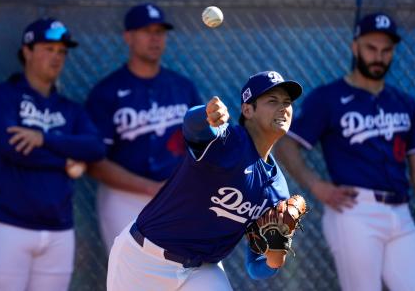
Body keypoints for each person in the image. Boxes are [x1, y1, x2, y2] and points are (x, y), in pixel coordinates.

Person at [106, 70, 303, 290]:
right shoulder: (227, 141)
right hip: (142, 260)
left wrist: (276, 255)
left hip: (202, 271)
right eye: (272, 101)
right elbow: (193, 128)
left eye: (287, 102)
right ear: (247, 109)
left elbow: (256, 268)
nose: (283, 108)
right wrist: (206, 115)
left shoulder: (277, 190)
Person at [275, 13, 415, 291]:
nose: (378, 56)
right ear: (355, 47)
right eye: (371, 47)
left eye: (386, 50)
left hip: (401, 213)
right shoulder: (329, 98)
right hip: (355, 211)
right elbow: (286, 144)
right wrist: (317, 186)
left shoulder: (404, 102)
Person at [0, 18, 105, 291]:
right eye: (48, 48)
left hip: (58, 228)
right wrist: (65, 160)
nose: (56, 57)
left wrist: (44, 138)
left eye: (62, 52)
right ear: (27, 51)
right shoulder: (2, 97)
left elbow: (95, 148)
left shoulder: (70, 109)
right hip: (5, 224)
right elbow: (12, 148)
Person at [85, 3, 202, 251]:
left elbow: (202, 145)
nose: (155, 38)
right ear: (128, 37)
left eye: (160, 31)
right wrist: (150, 188)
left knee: (187, 274)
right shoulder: (106, 92)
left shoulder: (182, 87)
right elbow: (95, 162)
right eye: (146, 31)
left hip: (175, 196)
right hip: (123, 197)